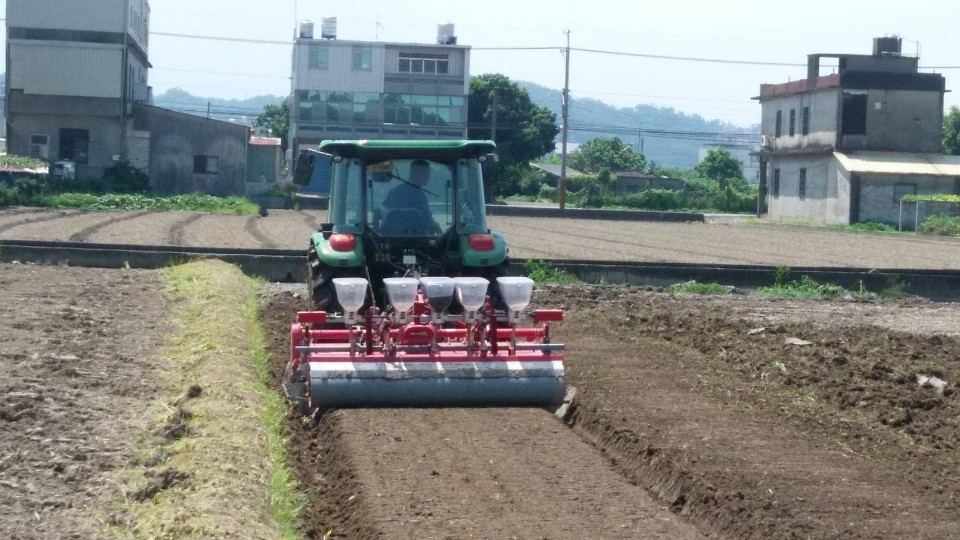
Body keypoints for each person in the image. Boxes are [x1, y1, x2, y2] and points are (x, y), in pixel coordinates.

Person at [380, 159, 438, 233]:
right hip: (417, 239)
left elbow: (384, 216)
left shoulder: (394, 191)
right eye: (425, 174)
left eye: (428, 175)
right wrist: (436, 226)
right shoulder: (419, 195)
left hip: (391, 238)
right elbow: (427, 219)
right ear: (413, 174)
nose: (427, 177)